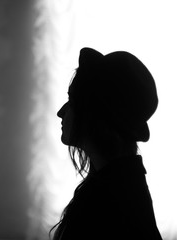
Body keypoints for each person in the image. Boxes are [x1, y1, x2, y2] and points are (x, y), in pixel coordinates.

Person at [53, 47, 163, 239]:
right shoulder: (122, 187)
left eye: (72, 100)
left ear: (95, 114)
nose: (61, 112)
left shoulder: (109, 200)